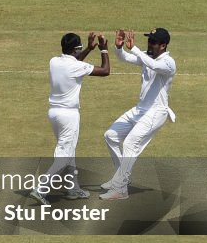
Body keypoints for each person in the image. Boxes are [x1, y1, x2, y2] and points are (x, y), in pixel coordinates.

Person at [31, 32, 110, 205]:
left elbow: (75, 61)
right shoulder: (76, 67)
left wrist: (88, 48)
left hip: (54, 114)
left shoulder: (54, 61)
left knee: (69, 153)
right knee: (64, 156)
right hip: (69, 116)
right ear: (76, 49)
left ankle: (73, 189)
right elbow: (105, 71)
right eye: (80, 48)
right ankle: (41, 189)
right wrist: (103, 50)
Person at [100, 28, 177, 201]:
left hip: (156, 113)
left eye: (153, 42)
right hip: (140, 109)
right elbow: (126, 58)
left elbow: (153, 65)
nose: (149, 44)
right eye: (149, 40)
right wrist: (119, 48)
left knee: (129, 144)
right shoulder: (146, 55)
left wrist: (134, 48)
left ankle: (120, 189)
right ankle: (120, 178)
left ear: (163, 45)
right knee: (110, 136)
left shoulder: (169, 62)